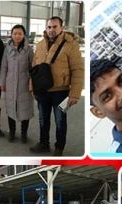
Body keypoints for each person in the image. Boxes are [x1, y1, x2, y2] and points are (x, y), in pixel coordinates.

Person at [30, 16, 84, 156]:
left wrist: (75, 94)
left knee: (60, 120)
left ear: (62, 27)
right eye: (49, 27)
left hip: (62, 91)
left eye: (54, 27)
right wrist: (32, 87)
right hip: (42, 91)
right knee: (43, 119)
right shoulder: (41, 44)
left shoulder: (71, 44)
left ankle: (59, 147)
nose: (51, 30)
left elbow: (78, 69)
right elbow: (34, 68)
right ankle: (43, 144)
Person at [0, 24, 35, 143]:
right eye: (15, 33)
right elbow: (4, 67)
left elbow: (33, 68)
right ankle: (12, 132)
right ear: (11, 34)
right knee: (11, 108)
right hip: (10, 83)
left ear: (24, 35)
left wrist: (32, 83)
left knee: (25, 109)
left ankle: (24, 134)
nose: (17, 36)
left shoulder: (29, 50)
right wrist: (2, 82)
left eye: (20, 33)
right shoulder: (7, 49)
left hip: (24, 84)